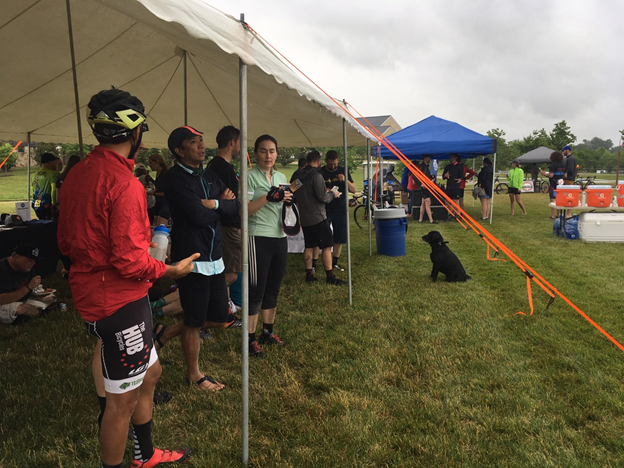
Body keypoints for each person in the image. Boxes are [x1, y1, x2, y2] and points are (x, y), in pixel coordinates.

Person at [58, 88, 198, 468]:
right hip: (119, 300)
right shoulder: (125, 183)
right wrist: (171, 270)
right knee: (122, 403)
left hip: (95, 294)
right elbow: (130, 263)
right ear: (135, 133)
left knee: (151, 374)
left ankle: (145, 454)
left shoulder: (77, 173)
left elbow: (66, 241)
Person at [164, 125, 240, 391]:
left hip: (215, 257)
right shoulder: (175, 178)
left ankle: (167, 332)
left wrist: (214, 203)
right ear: (179, 150)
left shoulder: (208, 175)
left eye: (201, 140)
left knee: (219, 317)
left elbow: (235, 207)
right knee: (195, 320)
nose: (201, 145)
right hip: (192, 259)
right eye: (193, 142)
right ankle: (194, 375)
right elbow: (197, 216)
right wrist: (219, 205)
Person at [246, 134, 294, 357]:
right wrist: (267, 197)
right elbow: (245, 210)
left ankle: (268, 332)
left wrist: (288, 201)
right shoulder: (248, 177)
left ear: (277, 153)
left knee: (273, 288)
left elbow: (283, 204)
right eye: (263, 151)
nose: (268, 155)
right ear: (256, 153)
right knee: (256, 290)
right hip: (258, 237)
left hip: (280, 237)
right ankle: (250, 339)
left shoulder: (281, 176)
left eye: (272, 151)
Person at [207, 125, 244, 322]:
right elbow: (220, 199)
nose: (241, 147)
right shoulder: (220, 167)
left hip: (228, 225)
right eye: (240, 143)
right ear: (232, 142)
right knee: (230, 274)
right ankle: (209, 309)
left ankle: (225, 312)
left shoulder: (222, 166)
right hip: (228, 226)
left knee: (228, 272)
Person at [296, 150, 346, 285]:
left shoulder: (298, 174)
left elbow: (293, 190)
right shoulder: (316, 175)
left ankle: (309, 275)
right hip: (318, 217)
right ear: (318, 162)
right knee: (327, 246)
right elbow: (323, 197)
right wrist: (333, 194)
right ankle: (330, 276)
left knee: (309, 245)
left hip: (304, 217)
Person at [0, 245, 55, 325]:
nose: (33, 263)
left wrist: (39, 292)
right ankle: (42, 312)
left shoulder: (25, 267)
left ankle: (26, 315)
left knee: (51, 297)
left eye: (34, 260)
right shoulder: (3, 270)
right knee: (21, 309)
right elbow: (2, 300)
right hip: (4, 303)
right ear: (17, 257)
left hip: (22, 300)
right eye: (30, 260)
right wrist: (28, 287)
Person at [320, 150, 356, 271]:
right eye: (330, 164)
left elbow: (354, 190)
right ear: (326, 161)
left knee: (339, 237)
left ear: (338, 161)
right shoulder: (321, 172)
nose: (332, 167)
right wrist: (325, 190)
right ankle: (321, 262)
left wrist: (345, 180)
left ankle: (335, 262)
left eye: (335, 164)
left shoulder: (343, 170)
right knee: (324, 237)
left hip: (340, 209)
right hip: (325, 209)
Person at [31, 152, 60, 220]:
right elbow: (54, 189)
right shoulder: (53, 174)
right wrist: (54, 203)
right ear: (50, 162)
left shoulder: (34, 175)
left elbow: (33, 187)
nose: (55, 164)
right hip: (48, 203)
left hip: (36, 203)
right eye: (55, 162)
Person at [147, 152, 170, 227]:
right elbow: (159, 186)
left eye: (151, 163)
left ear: (157, 162)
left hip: (165, 203)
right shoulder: (158, 173)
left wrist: (153, 193)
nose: (149, 165)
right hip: (158, 202)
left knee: (160, 225)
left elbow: (167, 192)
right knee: (156, 224)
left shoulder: (165, 174)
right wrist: (151, 180)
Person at [541, 151, 566, 219]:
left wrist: (544, 174)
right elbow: (565, 175)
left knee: (553, 200)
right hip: (561, 185)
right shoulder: (563, 165)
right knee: (559, 200)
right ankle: (559, 214)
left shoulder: (553, 165)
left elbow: (551, 175)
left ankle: (553, 215)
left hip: (553, 184)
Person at [415, 155, 437, 224]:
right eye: (429, 158)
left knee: (423, 203)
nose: (430, 159)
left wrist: (431, 179)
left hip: (425, 187)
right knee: (428, 202)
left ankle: (420, 219)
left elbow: (426, 177)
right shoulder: (422, 167)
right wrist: (420, 184)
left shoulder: (426, 167)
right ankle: (431, 220)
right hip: (424, 188)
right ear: (426, 158)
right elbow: (415, 176)